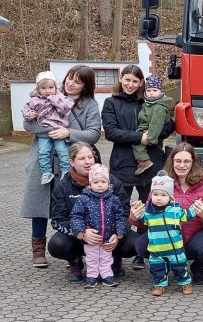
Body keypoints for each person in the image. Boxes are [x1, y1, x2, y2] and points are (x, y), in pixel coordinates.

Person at [21, 65, 100, 269]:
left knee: (73, 206)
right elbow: (29, 125)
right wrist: (53, 129)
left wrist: (68, 133)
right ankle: (38, 250)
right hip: (43, 159)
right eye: (69, 78)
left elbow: (93, 134)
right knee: (39, 204)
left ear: (86, 86)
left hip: (72, 161)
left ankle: (73, 251)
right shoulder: (46, 92)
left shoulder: (89, 105)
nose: (71, 83)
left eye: (78, 81)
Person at [131, 143, 203, 285]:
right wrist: (134, 217)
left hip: (193, 239)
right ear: (172, 161)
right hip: (166, 239)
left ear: (193, 163)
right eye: (178, 161)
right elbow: (147, 219)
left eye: (187, 161)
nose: (182, 165)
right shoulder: (160, 183)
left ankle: (198, 267)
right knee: (141, 244)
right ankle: (165, 264)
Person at [48, 142, 138, 282]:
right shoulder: (63, 186)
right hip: (79, 238)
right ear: (72, 162)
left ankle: (115, 259)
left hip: (109, 236)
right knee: (57, 244)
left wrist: (118, 235)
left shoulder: (112, 181)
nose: (87, 162)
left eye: (90, 157)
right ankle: (75, 261)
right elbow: (58, 220)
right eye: (81, 158)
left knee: (134, 243)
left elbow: (124, 213)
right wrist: (81, 233)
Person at [102, 65, 175, 204]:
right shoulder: (111, 103)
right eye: (127, 80)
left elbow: (169, 125)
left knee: (151, 208)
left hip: (151, 162)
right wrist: (140, 137)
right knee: (121, 208)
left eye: (135, 81)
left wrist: (153, 135)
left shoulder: (150, 101)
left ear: (141, 83)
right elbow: (111, 132)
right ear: (120, 78)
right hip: (123, 163)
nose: (130, 85)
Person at [133, 170, 203, 297]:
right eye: (155, 194)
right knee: (157, 268)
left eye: (163, 195)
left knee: (180, 266)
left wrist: (195, 208)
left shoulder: (175, 210)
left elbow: (186, 216)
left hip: (175, 248)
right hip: (156, 249)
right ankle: (160, 284)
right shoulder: (148, 212)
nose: (158, 198)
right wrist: (136, 210)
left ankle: (185, 282)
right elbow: (140, 219)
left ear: (171, 197)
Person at [69, 164, 128, 289]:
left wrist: (120, 232)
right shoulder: (83, 199)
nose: (100, 185)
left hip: (108, 237)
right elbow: (76, 215)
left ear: (109, 184)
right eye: (96, 182)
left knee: (106, 257)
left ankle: (107, 275)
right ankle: (92, 276)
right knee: (92, 257)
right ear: (90, 184)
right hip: (91, 238)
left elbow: (120, 216)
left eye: (103, 182)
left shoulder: (114, 199)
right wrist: (80, 230)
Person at [22, 70, 74, 184]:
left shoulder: (60, 97)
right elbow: (25, 110)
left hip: (59, 130)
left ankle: (66, 171)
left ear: (55, 87)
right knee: (43, 152)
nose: (47, 90)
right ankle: (46, 172)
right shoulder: (35, 100)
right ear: (38, 89)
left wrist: (53, 99)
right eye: (43, 88)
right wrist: (29, 115)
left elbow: (66, 108)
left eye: (50, 87)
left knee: (62, 150)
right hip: (43, 131)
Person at [133, 74, 175, 176]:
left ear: (161, 91)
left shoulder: (159, 107)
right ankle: (144, 161)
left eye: (155, 90)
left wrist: (150, 138)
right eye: (148, 90)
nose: (151, 93)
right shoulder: (148, 103)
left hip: (151, 134)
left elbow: (156, 123)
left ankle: (144, 161)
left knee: (136, 143)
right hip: (146, 130)